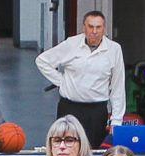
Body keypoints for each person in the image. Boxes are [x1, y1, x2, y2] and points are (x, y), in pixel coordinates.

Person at [37, 12, 126, 141]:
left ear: (104, 29)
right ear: (84, 27)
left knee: (94, 150)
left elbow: (117, 87)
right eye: (90, 26)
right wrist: (62, 82)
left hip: (97, 111)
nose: (94, 31)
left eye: (98, 27)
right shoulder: (71, 44)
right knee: (67, 148)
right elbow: (42, 61)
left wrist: (116, 120)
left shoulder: (114, 49)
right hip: (69, 108)